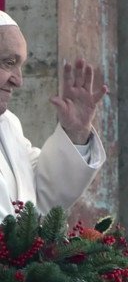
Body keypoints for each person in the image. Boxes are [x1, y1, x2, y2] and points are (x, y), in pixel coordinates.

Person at [0, 11, 107, 220]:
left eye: (21, 66)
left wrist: (76, 132)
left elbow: (40, 196)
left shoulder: (8, 124)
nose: (19, 81)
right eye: (8, 62)